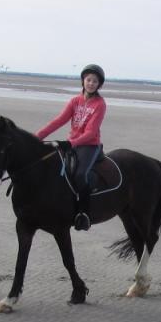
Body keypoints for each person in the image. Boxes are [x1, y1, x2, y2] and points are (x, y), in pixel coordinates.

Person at [36, 63, 106, 231]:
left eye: (95, 81)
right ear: (83, 81)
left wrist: (71, 143)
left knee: (81, 174)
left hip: (89, 145)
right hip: (72, 142)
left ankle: (84, 214)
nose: (91, 83)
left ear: (99, 84)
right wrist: (36, 137)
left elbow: (90, 132)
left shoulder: (100, 104)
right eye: (88, 80)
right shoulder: (75, 101)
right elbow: (59, 121)